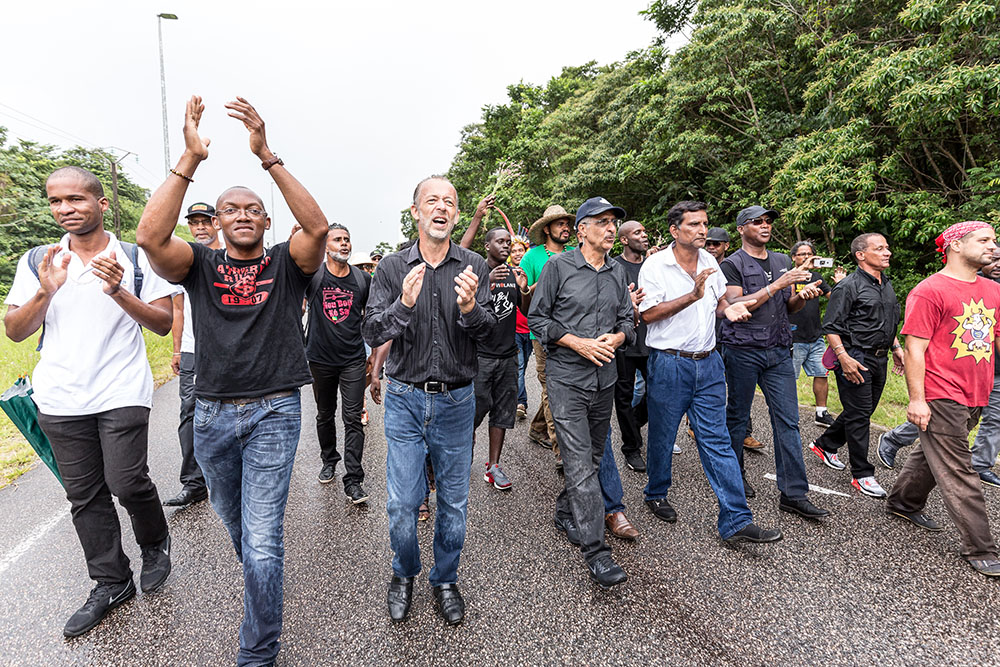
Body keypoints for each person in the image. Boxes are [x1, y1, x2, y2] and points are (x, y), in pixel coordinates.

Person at [136, 95, 329, 665]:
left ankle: (259, 649)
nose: (242, 215)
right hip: (215, 415)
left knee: (265, 540)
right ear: (216, 223)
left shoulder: (286, 262)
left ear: (266, 220)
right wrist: (190, 158)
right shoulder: (197, 264)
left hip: (274, 411)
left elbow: (316, 225)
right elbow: (149, 238)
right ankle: (264, 584)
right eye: (231, 209)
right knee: (239, 526)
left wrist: (266, 154)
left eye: (252, 209)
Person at [4, 166, 175, 638]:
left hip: (121, 388)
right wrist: (46, 289)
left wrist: (118, 287)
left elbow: (161, 323)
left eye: (76, 199)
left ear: (101, 204)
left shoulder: (137, 257)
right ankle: (111, 581)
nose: (65, 209)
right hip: (59, 396)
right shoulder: (39, 260)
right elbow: (16, 330)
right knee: (83, 495)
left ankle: (155, 541)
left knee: (126, 481)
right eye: (56, 201)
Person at [362, 175, 496, 625]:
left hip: (458, 401)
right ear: (416, 212)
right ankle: (403, 573)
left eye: (450, 202)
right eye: (431, 201)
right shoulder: (391, 268)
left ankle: (445, 578)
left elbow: (494, 336)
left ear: (457, 215)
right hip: (404, 399)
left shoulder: (474, 263)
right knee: (403, 502)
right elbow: (372, 331)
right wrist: (402, 304)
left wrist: (470, 311)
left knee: (454, 501)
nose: (441, 207)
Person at [638, 200, 786, 543]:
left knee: (717, 440)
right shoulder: (656, 266)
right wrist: (692, 295)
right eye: (693, 225)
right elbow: (647, 315)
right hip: (669, 362)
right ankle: (656, 492)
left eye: (704, 224)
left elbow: (719, 302)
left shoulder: (710, 261)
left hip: (709, 362)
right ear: (675, 231)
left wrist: (729, 310)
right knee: (663, 435)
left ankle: (736, 519)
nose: (702, 230)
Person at [528, 196, 636, 588]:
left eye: (614, 223)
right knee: (577, 461)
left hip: (604, 380)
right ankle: (596, 551)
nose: (611, 229)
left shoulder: (616, 272)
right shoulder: (558, 267)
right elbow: (538, 319)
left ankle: (565, 509)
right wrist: (576, 342)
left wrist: (620, 335)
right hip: (567, 380)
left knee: (590, 456)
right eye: (603, 222)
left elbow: (628, 318)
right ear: (582, 230)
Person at [886, 221, 1000, 577]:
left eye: (994, 241)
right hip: (941, 392)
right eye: (983, 240)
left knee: (930, 452)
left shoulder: (993, 290)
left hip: (977, 389)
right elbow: (914, 348)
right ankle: (981, 546)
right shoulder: (929, 290)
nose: (993, 247)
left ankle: (904, 501)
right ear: (954, 246)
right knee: (959, 468)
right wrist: (918, 400)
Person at [717, 206, 829, 519]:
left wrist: (800, 295)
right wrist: (778, 286)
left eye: (768, 221)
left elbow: (788, 305)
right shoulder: (731, 264)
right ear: (741, 229)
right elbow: (734, 302)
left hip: (779, 348)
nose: (765, 226)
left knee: (788, 421)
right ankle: (735, 477)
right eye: (757, 222)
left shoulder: (781, 260)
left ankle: (793, 493)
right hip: (742, 349)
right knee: (737, 417)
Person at [877, 258, 1000, 489]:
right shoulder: (962, 286)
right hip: (955, 374)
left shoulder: (996, 289)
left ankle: (981, 463)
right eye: (993, 258)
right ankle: (894, 439)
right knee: (942, 422)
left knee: (992, 420)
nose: (997, 263)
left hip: (991, 371)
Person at [807, 232, 903, 499]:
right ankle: (863, 474)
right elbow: (831, 326)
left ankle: (826, 444)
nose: (887, 253)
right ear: (861, 255)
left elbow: (886, 320)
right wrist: (844, 357)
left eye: (887, 247)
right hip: (854, 357)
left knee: (861, 411)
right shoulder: (847, 286)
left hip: (880, 357)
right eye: (880, 248)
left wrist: (896, 348)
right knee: (860, 415)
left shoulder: (886, 284)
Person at [305, 223, 372, 504]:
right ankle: (329, 459)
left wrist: (373, 356)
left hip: (353, 359)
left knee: (353, 418)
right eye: (337, 240)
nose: (344, 244)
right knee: (324, 413)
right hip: (320, 359)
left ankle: (354, 479)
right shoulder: (313, 277)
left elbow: (371, 316)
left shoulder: (361, 280)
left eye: (347, 239)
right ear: (325, 246)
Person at [164, 202, 221, 508]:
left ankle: (231, 474)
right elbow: (177, 308)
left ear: (217, 224)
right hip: (192, 351)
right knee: (189, 414)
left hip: (227, 352)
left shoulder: (229, 256)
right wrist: (177, 349)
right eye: (194, 222)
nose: (200, 227)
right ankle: (193, 482)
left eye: (206, 221)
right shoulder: (181, 259)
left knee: (231, 412)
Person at [697, 227, 764, 452]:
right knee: (706, 386)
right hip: (709, 336)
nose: (712, 247)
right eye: (708, 244)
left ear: (726, 245)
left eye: (716, 243)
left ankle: (744, 433)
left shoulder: (734, 266)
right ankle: (696, 423)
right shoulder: (700, 265)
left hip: (734, 336)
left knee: (738, 389)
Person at [521, 205, 575, 465]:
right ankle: (561, 453)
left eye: (567, 223)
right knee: (551, 388)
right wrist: (533, 288)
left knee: (559, 386)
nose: (565, 227)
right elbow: (522, 298)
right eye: (559, 223)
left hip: (572, 332)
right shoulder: (531, 258)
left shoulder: (576, 255)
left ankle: (538, 427)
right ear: (547, 229)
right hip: (542, 332)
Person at [612, 220, 651, 472]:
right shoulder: (613, 266)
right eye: (637, 233)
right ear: (624, 240)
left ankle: (635, 421)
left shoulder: (655, 265)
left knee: (660, 392)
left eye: (644, 231)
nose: (644, 236)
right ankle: (631, 447)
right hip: (624, 342)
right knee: (623, 397)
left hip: (654, 340)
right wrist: (626, 301)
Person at [788, 241, 835, 427]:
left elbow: (833, 297)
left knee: (822, 373)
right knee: (789, 378)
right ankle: (788, 413)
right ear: (794, 257)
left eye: (809, 254)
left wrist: (839, 284)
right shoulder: (788, 276)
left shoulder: (816, 276)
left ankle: (821, 413)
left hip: (815, 335)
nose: (806, 257)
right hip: (794, 337)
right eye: (802, 254)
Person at [510, 235, 532, 419]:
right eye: (513, 251)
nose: (517, 253)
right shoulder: (506, 273)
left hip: (531, 328)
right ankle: (521, 403)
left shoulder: (530, 269)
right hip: (514, 329)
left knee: (522, 368)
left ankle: (513, 396)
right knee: (519, 366)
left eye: (520, 250)